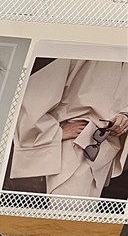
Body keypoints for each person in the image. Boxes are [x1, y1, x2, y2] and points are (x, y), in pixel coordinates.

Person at [11, 58, 128, 198]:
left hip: (105, 150)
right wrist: (56, 132)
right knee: (68, 206)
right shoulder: (86, 54)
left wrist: (125, 116)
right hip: (76, 144)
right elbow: (32, 98)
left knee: (83, 208)